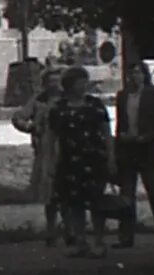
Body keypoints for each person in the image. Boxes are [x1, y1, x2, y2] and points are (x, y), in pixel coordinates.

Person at [110, 57, 154, 250]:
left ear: (145, 75)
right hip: (128, 148)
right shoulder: (123, 96)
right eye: (131, 73)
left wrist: (147, 136)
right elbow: (121, 121)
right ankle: (125, 236)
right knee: (126, 194)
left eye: (138, 72)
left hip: (148, 149)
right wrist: (120, 140)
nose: (134, 77)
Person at [47, 66, 112, 256]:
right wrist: (51, 161)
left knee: (96, 201)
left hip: (94, 159)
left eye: (85, 81)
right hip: (69, 160)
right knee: (74, 202)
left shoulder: (95, 105)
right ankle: (81, 240)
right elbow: (52, 137)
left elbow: (106, 132)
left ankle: (99, 240)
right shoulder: (59, 108)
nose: (83, 85)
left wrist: (111, 157)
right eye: (79, 81)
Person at [12, 66, 62, 244]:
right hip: (47, 150)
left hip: (67, 148)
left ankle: (72, 229)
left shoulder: (67, 99)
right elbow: (18, 118)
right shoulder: (39, 100)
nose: (54, 84)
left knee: (68, 190)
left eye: (57, 80)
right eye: (51, 81)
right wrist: (31, 128)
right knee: (50, 192)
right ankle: (51, 229)